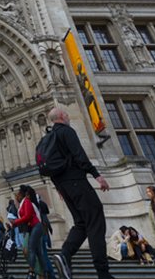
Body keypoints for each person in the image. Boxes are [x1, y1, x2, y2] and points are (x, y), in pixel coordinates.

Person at [45, 107, 114, 279]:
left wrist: (59, 187)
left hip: (64, 186)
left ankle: (64, 254)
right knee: (95, 220)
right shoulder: (67, 132)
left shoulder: (48, 137)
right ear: (62, 117)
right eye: (67, 115)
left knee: (82, 223)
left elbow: (47, 166)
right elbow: (79, 154)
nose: (69, 117)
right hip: (77, 181)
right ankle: (103, 273)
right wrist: (96, 175)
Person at [9, 185, 46, 279]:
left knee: (31, 249)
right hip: (32, 228)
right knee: (38, 252)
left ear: (22, 194)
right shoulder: (23, 203)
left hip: (36, 227)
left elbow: (28, 216)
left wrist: (16, 222)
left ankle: (32, 271)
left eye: (18, 194)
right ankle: (43, 273)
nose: (16, 196)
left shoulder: (26, 201)